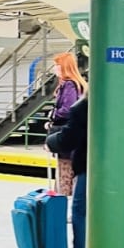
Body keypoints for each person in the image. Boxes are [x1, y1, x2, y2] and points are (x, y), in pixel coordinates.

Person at [45, 97, 87, 248]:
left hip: (90, 165)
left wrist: (50, 141)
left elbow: (69, 138)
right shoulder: (121, 102)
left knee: (79, 210)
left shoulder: (83, 107)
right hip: (119, 168)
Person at [47, 52, 88, 196]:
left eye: (57, 65)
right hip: (74, 137)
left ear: (64, 67)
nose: (55, 69)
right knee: (72, 176)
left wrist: (52, 116)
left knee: (64, 176)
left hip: (66, 136)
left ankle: (62, 208)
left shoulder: (69, 85)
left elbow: (66, 109)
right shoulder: (77, 84)